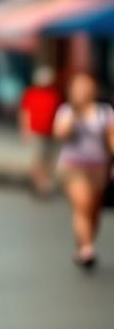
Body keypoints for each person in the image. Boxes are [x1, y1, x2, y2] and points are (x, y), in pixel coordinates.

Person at [52, 72, 114, 270]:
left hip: (98, 168)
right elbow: (60, 134)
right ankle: (87, 248)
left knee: (93, 211)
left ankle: (84, 243)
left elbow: (111, 139)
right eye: (78, 87)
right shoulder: (66, 111)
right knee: (82, 205)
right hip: (73, 166)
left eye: (86, 86)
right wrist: (76, 113)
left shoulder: (105, 112)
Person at [19, 66, 63, 197]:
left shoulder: (55, 94)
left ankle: (46, 183)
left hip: (51, 132)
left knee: (50, 159)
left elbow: (60, 113)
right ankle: (38, 184)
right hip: (36, 131)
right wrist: (25, 129)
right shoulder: (31, 93)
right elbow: (25, 112)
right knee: (38, 158)